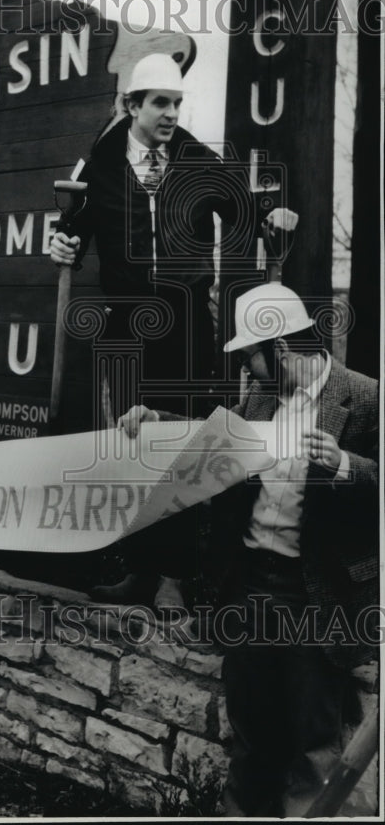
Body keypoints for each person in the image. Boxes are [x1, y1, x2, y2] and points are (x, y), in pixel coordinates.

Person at [119, 282, 379, 816]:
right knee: (251, 736)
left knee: (315, 744)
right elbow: (213, 443)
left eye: (249, 357)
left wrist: (348, 465)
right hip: (251, 589)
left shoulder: (367, 400)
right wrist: (153, 423)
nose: (245, 369)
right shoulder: (260, 399)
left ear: (281, 350)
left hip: (319, 601)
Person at [50, 52, 297, 611]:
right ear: (130, 105)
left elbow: (248, 213)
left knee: (184, 445)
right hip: (127, 323)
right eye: (160, 102)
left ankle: (174, 578)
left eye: (177, 103)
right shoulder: (101, 164)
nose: (170, 113)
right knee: (135, 447)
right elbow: (72, 234)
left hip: (188, 323)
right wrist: (61, 243)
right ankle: (138, 571)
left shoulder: (195, 159)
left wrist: (272, 223)